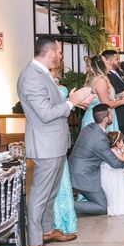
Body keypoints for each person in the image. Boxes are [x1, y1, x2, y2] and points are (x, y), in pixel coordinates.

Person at [17, 37, 93, 246]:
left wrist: (73, 102)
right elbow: (46, 114)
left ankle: (46, 231)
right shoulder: (30, 77)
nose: (60, 57)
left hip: (55, 143)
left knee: (50, 193)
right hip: (45, 145)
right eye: (59, 52)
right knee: (39, 195)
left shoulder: (42, 74)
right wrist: (71, 102)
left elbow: (51, 106)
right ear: (50, 53)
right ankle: (34, 244)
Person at [69, 104, 124, 215]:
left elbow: (103, 150)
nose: (112, 116)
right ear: (106, 119)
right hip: (83, 176)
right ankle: (65, 206)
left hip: (76, 170)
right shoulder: (100, 138)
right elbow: (116, 164)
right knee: (103, 207)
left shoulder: (90, 127)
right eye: (110, 114)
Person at [50, 67, 77, 236]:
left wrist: (71, 102)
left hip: (61, 129)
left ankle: (65, 219)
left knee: (63, 177)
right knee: (52, 182)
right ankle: (55, 221)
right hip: (51, 134)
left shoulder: (55, 81)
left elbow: (61, 108)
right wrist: (70, 101)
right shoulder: (41, 81)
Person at [81, 55, 124, 133]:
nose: (108, 61)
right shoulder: (100, 80)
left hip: (101, 117)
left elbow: (105, 99)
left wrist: (118, 98)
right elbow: (106, 104)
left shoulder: (98, 78)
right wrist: (123, 101)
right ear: (101, 65)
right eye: (106, 60)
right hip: (98, 120)